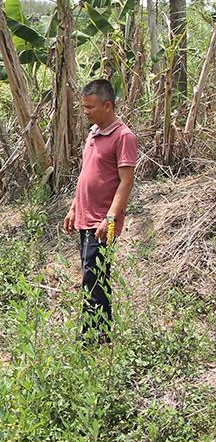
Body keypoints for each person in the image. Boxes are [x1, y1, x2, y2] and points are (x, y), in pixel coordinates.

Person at [63, 79, 137, 344]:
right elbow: (86, 173)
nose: (86, 111)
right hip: (85, 217)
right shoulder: (94, 132)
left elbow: (126, 181)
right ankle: (94, 332)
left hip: (103, 222)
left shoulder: (123, 136)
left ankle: (97, 336)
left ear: (108, 105)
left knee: (95, 277)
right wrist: (73, 207)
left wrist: (110, 218)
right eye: (83, 106)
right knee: (89, 276)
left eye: (90, 107)